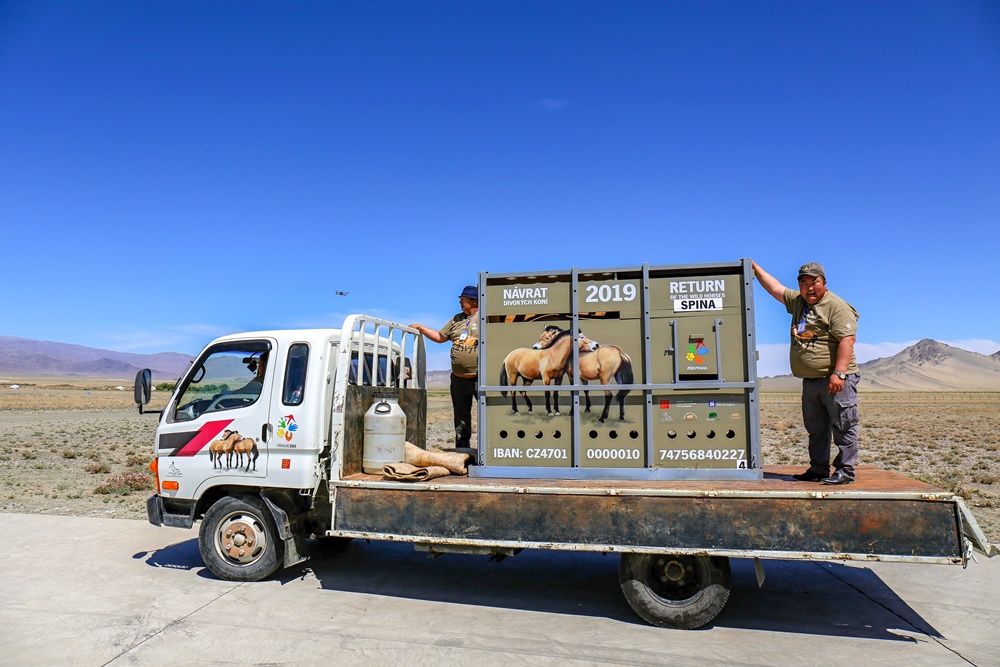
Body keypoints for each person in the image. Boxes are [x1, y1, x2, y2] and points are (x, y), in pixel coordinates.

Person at [753, 261, 860, 485]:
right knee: (816, 428)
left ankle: (845, 471)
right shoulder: (799, 302)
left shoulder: (836, 306)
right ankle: (818, 469)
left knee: (843, 426)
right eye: (804, 283)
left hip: (835, 379)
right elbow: (775, 288)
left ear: (824, 283)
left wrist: (839, 374)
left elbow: (847, 340)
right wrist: (754, 268)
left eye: (815, 282)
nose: (810, 288)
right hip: (811, 381)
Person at [410, 286, 479, 461]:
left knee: (488, 414)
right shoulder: (456, 319)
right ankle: (463, 451)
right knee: (461, 416)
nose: (460, 302)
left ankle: (491, 450)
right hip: (458, 379)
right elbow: (440, 337)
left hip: (480, 378)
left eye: (463, 299)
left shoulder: (486, 318)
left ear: (475, 301)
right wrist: (421, 328)